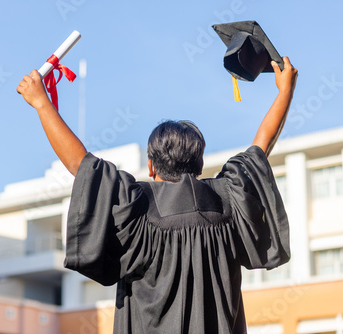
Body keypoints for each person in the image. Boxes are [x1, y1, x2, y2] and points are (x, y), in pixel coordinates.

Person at [17, 56, 298, 333]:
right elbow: (260, 149)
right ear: (199, 164)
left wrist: (42, 103)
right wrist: (285, 91)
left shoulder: (136, 207)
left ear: (150, 166)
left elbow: (82, 165)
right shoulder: (228, 200)